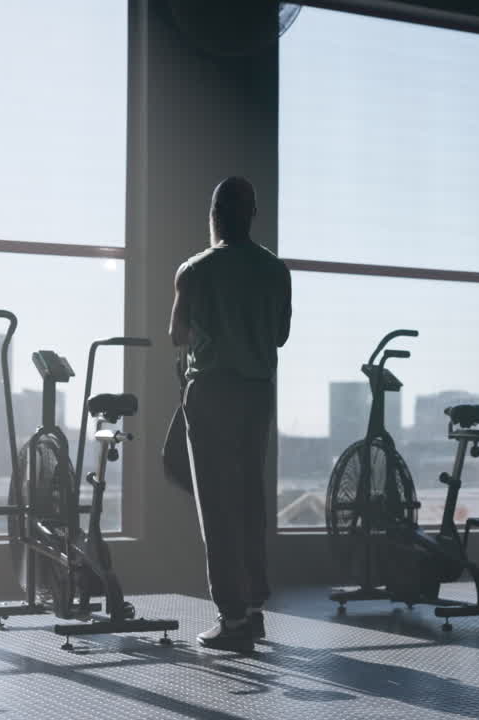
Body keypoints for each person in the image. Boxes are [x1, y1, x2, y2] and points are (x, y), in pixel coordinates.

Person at [169, 176, 291, 652]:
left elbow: (177, 334)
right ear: (253, 215)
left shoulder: (194, 270)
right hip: (258, 395)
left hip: (212, 391)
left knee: (216, 506)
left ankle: (233, 617)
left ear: (213, 216)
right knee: (249, 499)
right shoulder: (276, 270)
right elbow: (280, 335)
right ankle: (254, 608)